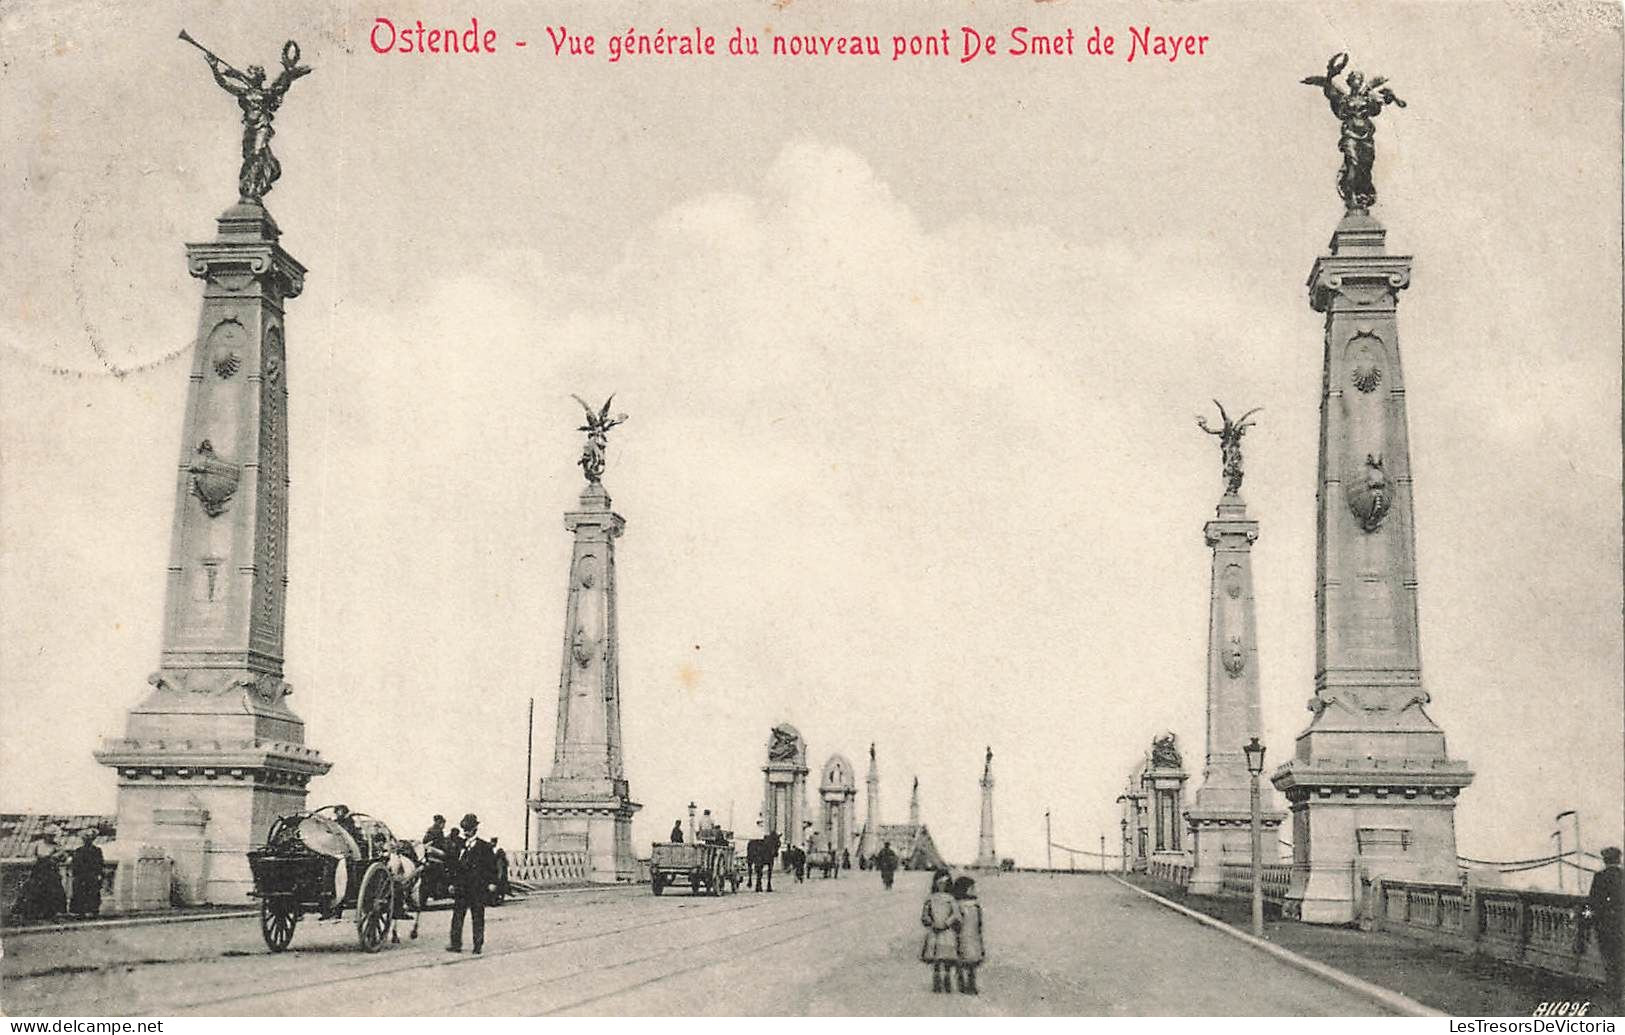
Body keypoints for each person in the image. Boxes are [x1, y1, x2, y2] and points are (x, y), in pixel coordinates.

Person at [448, 813, 496, 955]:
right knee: (457, 916)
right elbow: (454, 867)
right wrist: (452, 883)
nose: (466, 832)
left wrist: (492, 882)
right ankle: (455, 944)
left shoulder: (485, 847)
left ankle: (477, 945)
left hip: (478, 888)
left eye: (468, 829)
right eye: (464, 829)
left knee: (477, 917)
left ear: (475, 828)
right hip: (461, 888)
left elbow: (492, 867)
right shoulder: (460, 846)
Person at [1583, 846, 1622, 1011]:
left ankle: (1613, 990)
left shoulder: (1600, 877)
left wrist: (1586, 921)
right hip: (1623, 924)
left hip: (1606, 926)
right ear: (1619, 859)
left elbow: (1593, 903)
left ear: (1605, 860)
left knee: (1610, 958)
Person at [920, 871, 961, 993]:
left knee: (947, 957)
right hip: (935, 931)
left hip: (947, 932)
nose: (941, 886)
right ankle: (937, 982)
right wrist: (931, 922)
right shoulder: (930, 899)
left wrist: (947, 923)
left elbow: (956, 914)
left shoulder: (951, 899)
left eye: (944, 883)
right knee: (936, 958)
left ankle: (947, 980)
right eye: (939, 883)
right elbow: (925, 914)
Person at [952, 876, 984, 995]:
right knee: (963, 959)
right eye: (971, 888)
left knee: (971, 961)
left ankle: (970, 984)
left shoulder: (974, 905)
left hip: (973, 936)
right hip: (964, 935)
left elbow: (979, 922)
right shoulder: (960, 905)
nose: (974, 890)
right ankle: (963, 984)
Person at [70, 833, 105, 919]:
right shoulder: (78, 850)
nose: (87, 841)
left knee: (93, 893)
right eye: (85, 839)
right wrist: (75, 874)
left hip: (92, 875)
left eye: (89, 839)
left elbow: (100, 863)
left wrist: (99, 874)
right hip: (81, 875)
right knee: (80, 893)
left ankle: (93, 910)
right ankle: (80, 911)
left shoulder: (97, 850)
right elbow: (75, 863)